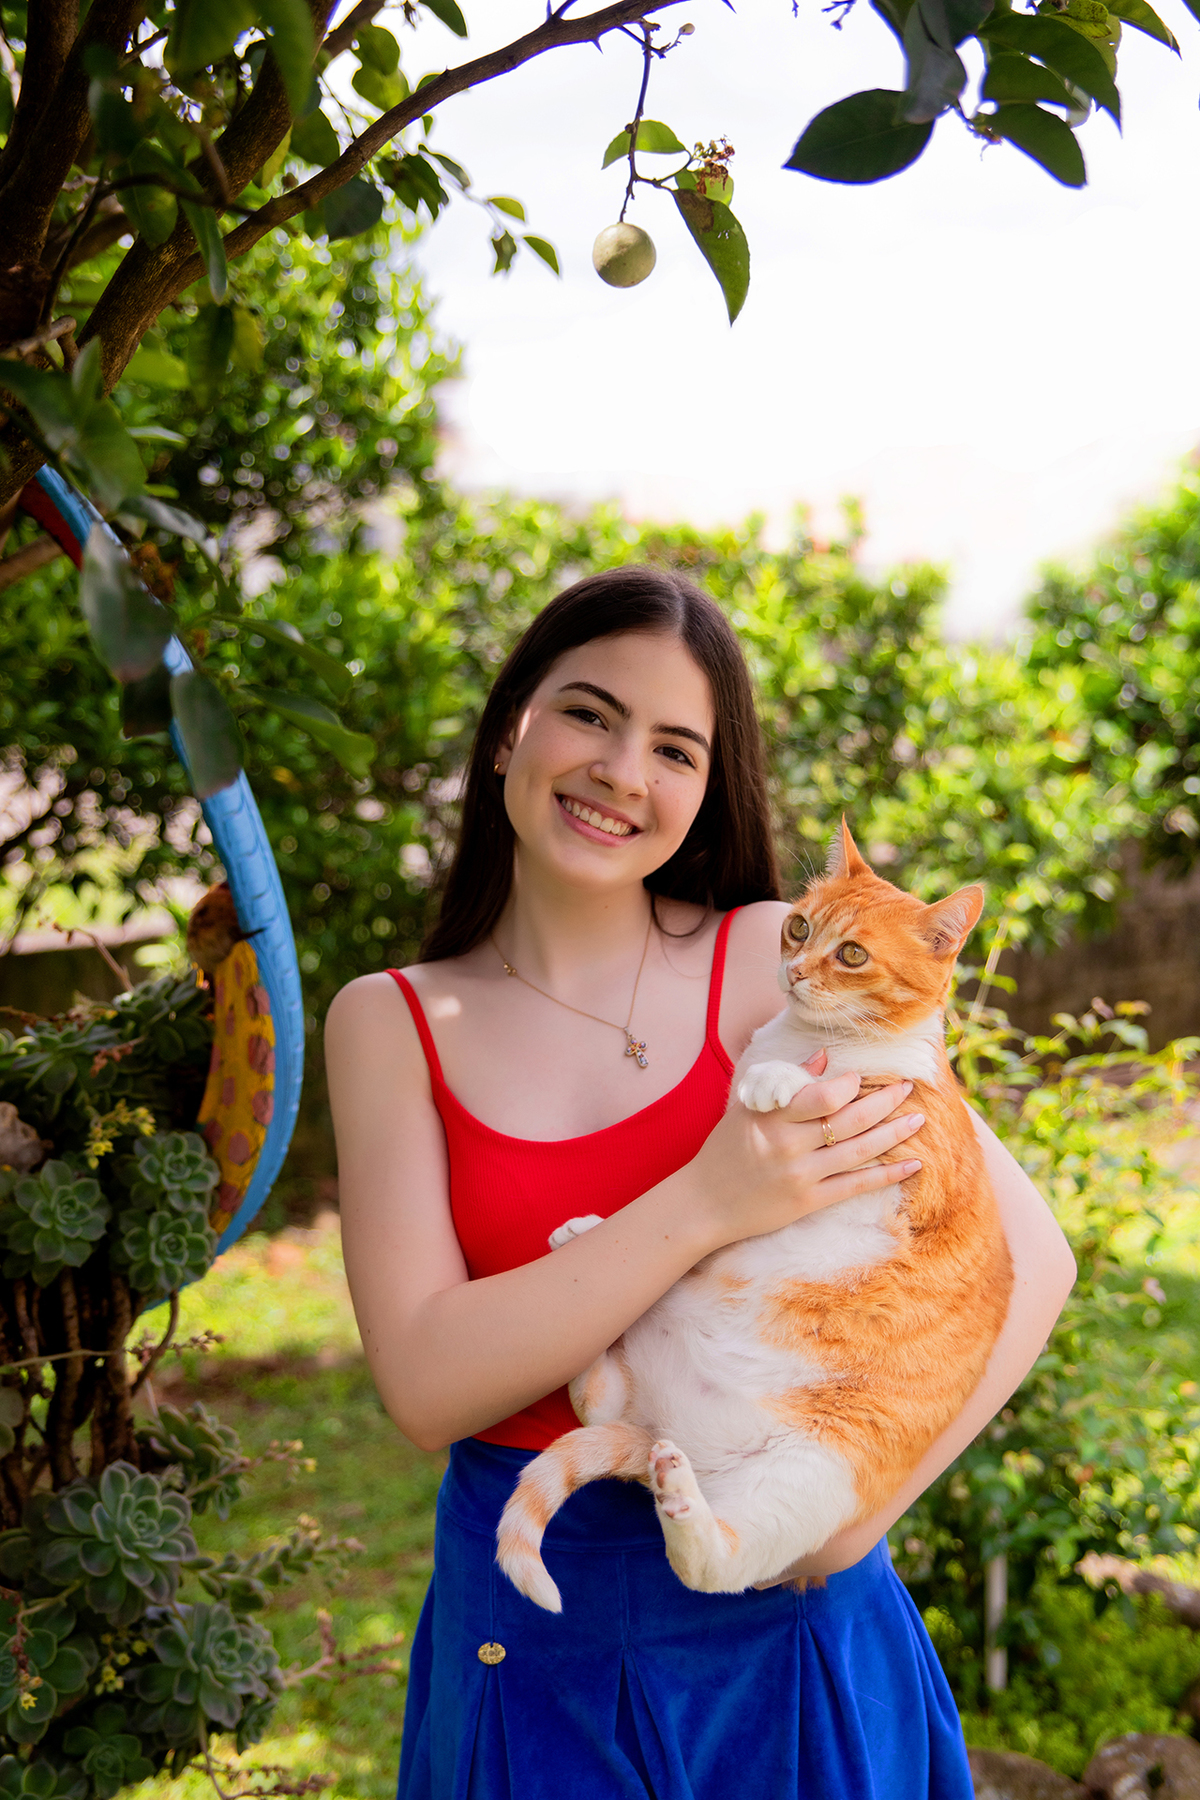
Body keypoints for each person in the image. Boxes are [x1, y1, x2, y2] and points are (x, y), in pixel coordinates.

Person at [325, 567, 1076, 1800]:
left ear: (705, 788)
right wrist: (707, 1204)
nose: (624, 770)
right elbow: (424, 1383)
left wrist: (860, 1505)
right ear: (514, 720)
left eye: (675, 746)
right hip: (536, 1621)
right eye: (590, 713)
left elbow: (1029, 1258)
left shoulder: (766, 964)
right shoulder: (393, 1020)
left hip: (787, 1613)